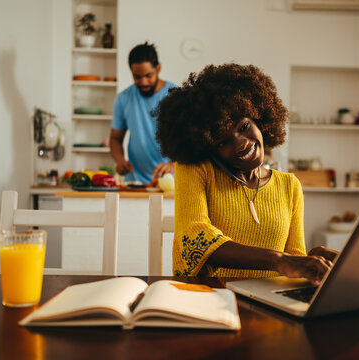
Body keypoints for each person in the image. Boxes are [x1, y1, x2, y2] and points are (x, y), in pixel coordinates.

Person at [156, 63, 338, 284]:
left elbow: (294, 261)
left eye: (243, 127)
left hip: (269, 307)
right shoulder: (195, 169)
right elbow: (195, 236)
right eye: (223, 141)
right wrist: (278, 259)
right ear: (207, 148)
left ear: (259, 118)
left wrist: (312, 261)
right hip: (208, 301)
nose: (241, 143)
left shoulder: (289, 186)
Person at [110, 42, 176, 184]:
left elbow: (191, 139)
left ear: (158, 68)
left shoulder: (175, 95)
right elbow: (115, 139)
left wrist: (174, 164)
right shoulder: (123, 98)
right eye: (137, 77)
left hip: (170, 182)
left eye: (148, 75)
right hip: (135, 182)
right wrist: (120, 160)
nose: (143, 82)